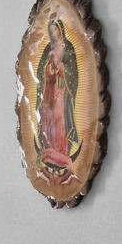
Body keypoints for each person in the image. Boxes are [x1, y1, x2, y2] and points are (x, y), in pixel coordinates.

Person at [37, 16, 81, 170]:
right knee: (48, 119)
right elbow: (40, 72)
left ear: (60, 30)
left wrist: (62, 68)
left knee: (59, 118)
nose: (54, 33)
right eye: (51, 31)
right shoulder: (48, 50)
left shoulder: (67, 47)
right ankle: (49, 149)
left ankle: (61, 151)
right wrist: (48, 69)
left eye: (55, 30)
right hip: (49, 90)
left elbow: (73, 71)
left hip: (62, 89)